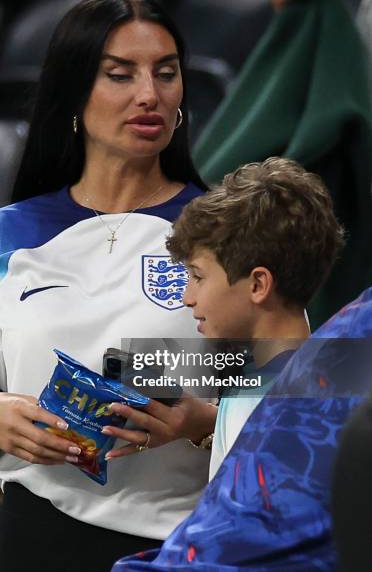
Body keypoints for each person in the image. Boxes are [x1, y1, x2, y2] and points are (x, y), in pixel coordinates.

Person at [0, 0, 218, 572]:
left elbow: (288, 399)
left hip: (182, 543)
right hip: (34, 537)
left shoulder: (225, 227)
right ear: (73, 93)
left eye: (167, 74)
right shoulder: (9, 232)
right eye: (120, 75)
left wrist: (201, 422)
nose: (150, 95)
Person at [112, 157, 349, 570]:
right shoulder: (273, 383)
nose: (187, 297)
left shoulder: (283, 412)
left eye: (198, 277)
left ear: (258, 284)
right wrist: (205, 421)